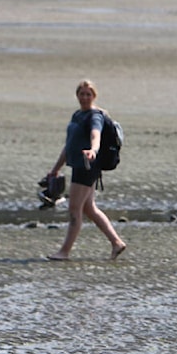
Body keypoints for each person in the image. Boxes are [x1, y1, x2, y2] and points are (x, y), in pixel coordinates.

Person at [46, 80, 126, 261]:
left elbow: (95, 135)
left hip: (87, 166)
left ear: (94, 96)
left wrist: (93, 150)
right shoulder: (77, 115)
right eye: (82, 94)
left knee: (75, 209)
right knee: (89, 208)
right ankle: (116, 242)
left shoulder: (95, 116)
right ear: (77, 95)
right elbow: (69, 146)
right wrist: (55, 169)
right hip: (78, 165)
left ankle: (64, 252)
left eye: (88, 94)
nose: (84, 97)